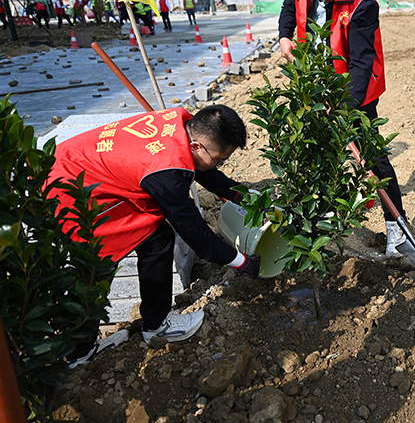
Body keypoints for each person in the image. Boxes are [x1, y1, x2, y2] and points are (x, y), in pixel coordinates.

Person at [47, 105, 261, 367]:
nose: (219, 165)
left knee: (156, 237)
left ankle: (153, 323)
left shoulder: (180, 123)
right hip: (70, 191)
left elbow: (207, 173)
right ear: (197, 146)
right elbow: (197, 235)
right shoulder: (166, 171)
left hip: (80, 165)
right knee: (97, 262)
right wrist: (241, 262)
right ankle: (80, 353)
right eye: (220, 159)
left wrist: (252, 201)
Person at [278, 0, 408, 258]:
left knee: (372, 156)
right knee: (317, 152)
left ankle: (398, 228)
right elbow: (289, 7)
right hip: (315, 86)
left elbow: (362, 63)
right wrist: (284, 35)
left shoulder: (363, 5)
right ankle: (324, 218)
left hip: (355, 91)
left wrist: (346, 110)